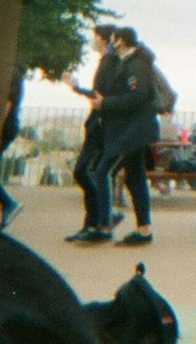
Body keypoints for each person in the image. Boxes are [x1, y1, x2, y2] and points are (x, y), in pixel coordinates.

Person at [82, 27, 159, 245]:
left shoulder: (135, 65)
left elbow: (138, 96)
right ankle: (144, 230)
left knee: (102, 170)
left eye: (113, 38)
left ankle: (105, 225)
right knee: (135, 178)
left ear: (121, 41)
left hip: (132, 131)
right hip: (133, 130)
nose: (110, 42)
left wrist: (106, 103)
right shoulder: (131, 62)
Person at [64, 24, 118, 241]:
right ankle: (97, 220)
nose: (92, 41)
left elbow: (101, 95)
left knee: (84, 170)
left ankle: (97, 220)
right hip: (100, 123)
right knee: (92, 171)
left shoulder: (108, 62)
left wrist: (77, 89)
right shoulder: (108, 62)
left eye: (95, 38)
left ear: (103, 40)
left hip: (99, 124)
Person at [0, 63, 26, 231]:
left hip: (4, 128)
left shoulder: (11, 73)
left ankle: (7, 203)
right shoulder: (15, 74)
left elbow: (7, 104)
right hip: (9, 127)